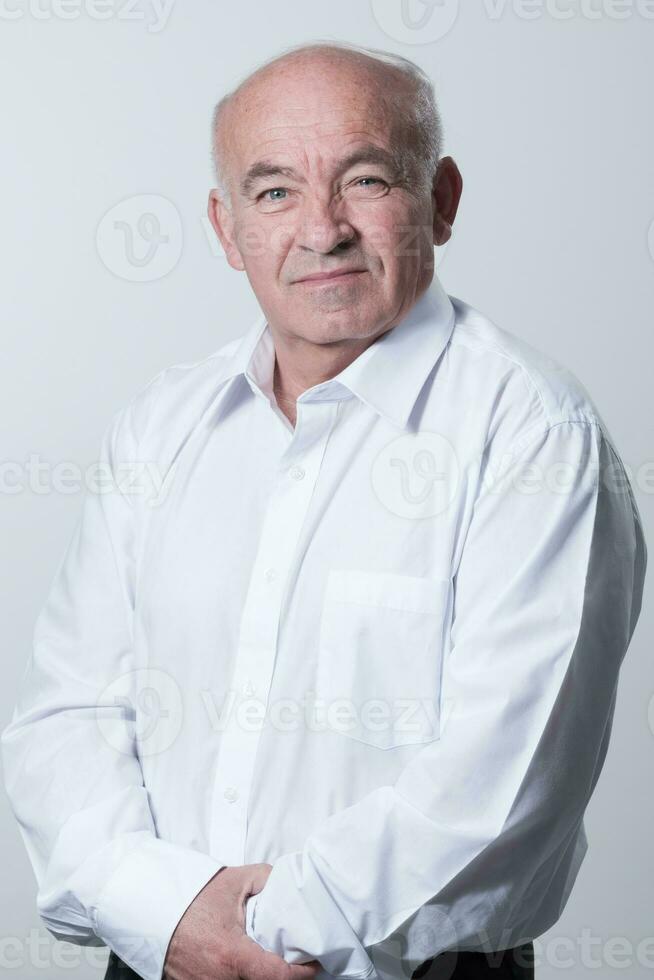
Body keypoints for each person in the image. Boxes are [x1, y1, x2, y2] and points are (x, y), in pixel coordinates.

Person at [1, 39, 646, 980]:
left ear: (444, 199)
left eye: (368, 180)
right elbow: (69, 713)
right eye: (274, 194)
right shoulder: (160, 427)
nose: (323, 228)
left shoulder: (535, 435)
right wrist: (168, 915)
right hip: (162, 959)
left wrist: (252, 936)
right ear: (227, 230)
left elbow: (502, 794)